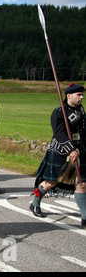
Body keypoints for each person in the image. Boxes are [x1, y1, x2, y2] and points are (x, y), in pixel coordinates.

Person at [31, 83, 86, 227]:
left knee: (81, 183)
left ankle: (85, 217)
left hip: (79, 150)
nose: (81, 97)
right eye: (79, 95)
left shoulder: (81, 109)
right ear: (69, 96)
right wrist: (70, 149)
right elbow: (59, 134)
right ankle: (35, 202)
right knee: (50, 183)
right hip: (61, 151)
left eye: (82, 95)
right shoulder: (59, 112)